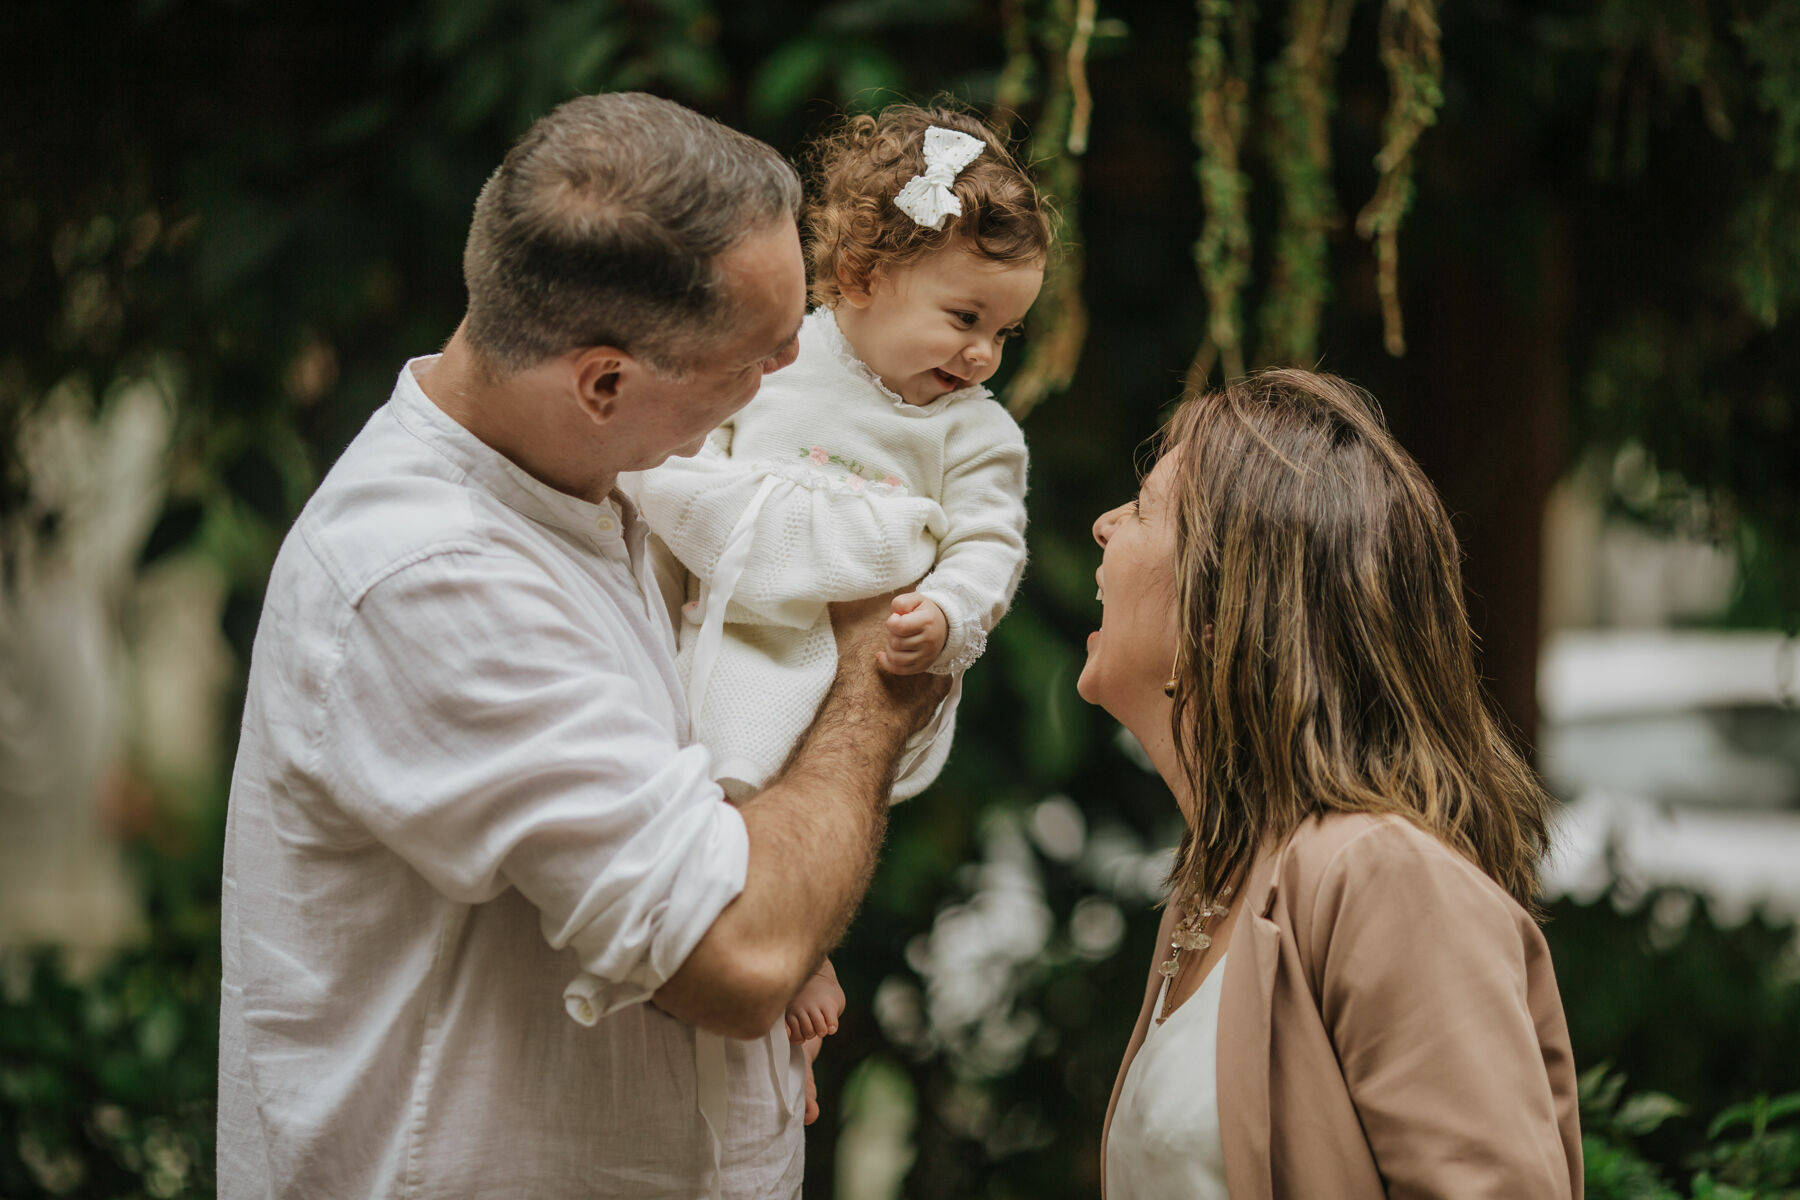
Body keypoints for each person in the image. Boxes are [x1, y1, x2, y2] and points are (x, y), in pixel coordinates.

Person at [216, 91, 946, 1200]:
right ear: (603, 381)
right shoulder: (432, 575)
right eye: (760, 356)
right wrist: (873, 690)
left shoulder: (610, 487)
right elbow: (735, 954)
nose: (799, 369)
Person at [569, 103, 1048, 1056]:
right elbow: (696, 464)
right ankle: (734, 935)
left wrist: (948, 614)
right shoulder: (782, 360)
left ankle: (794, 941)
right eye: (965, 319)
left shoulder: (977, 431)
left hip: (850, 641)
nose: (984, 355)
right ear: (864, 278)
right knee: (676, 737)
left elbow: (992, 547)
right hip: (734, 607)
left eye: (1006, 332)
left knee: (801, 784)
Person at [1087, 369, 1583, 1198]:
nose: (1105, 527)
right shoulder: (1215, 883)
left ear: (1222, 606)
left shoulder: (1379, 872)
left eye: (1141, 510)